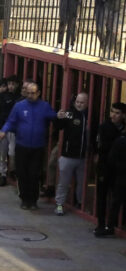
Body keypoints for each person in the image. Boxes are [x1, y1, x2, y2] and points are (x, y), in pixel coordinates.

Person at [0, 82, 61, 210]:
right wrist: (4, 130)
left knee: (34, 173)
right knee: (22, 173)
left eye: (33, 93)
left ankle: (33, 199)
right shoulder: (19, 106)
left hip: (37, 146)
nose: (30, 95)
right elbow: (11, 120)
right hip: (22, 144)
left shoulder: (44, 106)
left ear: (38, 93)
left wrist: (59, 116)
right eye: (28, 93)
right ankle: (24, 198)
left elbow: (54, 117)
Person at [53, 93, 89, 215]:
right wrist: (58, 117)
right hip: (68, 156)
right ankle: (59, 204)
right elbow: (59, 126)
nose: (79, 104)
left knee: (81, 183)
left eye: (82, 102)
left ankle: (80, 203)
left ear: (87, 103)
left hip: (82, 157)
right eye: (77, 101)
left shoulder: (89, 117)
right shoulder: (69, 114)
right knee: (63, 182)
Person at [94, 103, 126, 233]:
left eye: (117, 113)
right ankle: (101, 224)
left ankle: (116, 223)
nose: (113, 115)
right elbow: (101, 147)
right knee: (102, 196)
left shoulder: (123, 128)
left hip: (118, 170)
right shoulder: (105, 127)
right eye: (112, 111)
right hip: (105, 167)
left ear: (123, 115)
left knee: (118, 196)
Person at [101, 114, 126, 237]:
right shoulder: (120, 141)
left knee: (116, 202)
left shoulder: (120, 140)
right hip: (121, 175)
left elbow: (111, 159)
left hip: (121, 175)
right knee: (116, 201)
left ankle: (110, 226)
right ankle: (111, 225)